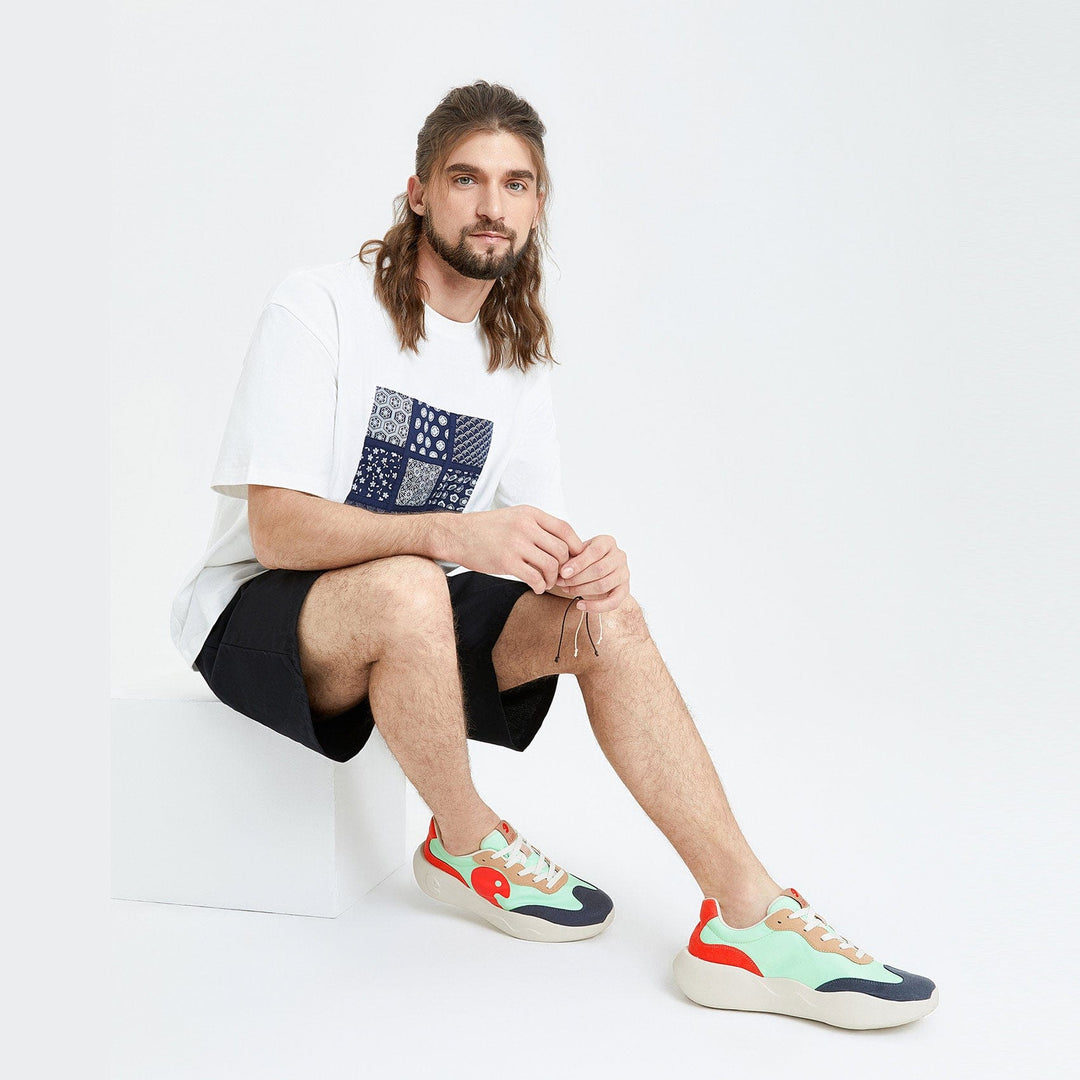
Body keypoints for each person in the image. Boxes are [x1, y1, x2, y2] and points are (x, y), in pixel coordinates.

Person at [170, 79, 938, 1030]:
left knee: (601, 618)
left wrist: (582, 568)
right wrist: (445, 531)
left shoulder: (514, 358)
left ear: (537, 207)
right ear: (419, 192)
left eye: (517, 184)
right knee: (411, 583)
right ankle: (463, 841)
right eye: (466, 179)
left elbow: (525, 543)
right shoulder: (319, 304)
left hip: (413, 611)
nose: (491, 205)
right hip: (262, 615)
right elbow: (278, 529)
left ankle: (747, 919)